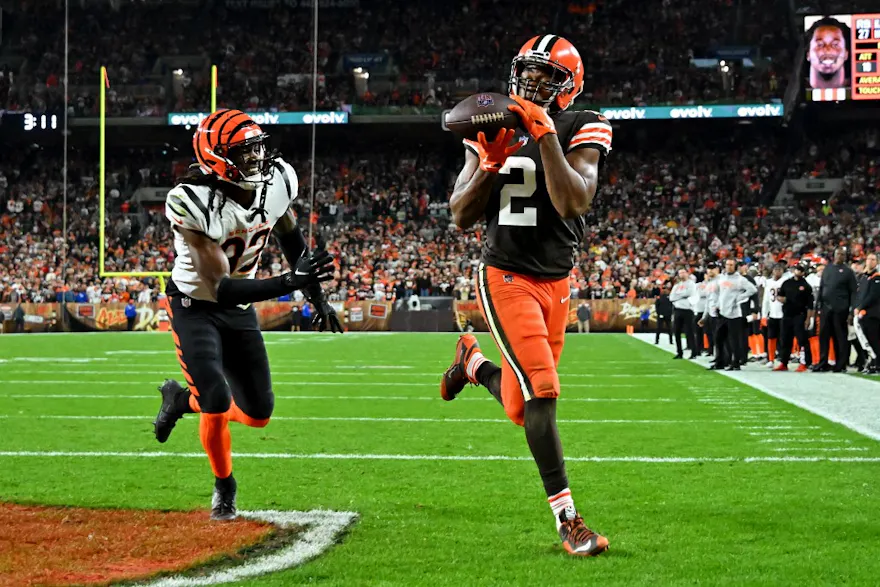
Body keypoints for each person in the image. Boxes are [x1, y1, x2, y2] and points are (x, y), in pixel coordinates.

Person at [439, 34, 610, 557]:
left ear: (568, 87)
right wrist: (489, 164)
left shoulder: (585, 125)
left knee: (520, 405)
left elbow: (573, 200)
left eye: (545, 77)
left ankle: (473, 366)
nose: (532, 84)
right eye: (527, 73)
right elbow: (461, 214)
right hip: (506, 275)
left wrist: (545, 136)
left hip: (555, 282)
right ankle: (569, 521)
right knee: (543, 390)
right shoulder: (491, 123)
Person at [151, 109, 343, 522]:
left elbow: (291, 235)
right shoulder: (190, 200)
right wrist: (291, 282)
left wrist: (317, 297)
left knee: (258, 414)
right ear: (217, 157)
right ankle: (225, 487)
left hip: (238, 309)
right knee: (218, 400)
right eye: (245, 152)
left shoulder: (276, 181)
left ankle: (182, 401)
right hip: (196, 306)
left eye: (258, 148)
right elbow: (220, 287)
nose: (258, 159)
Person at [813, 247, 857, 372]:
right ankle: (823, 362)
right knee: (823, 336)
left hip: (841, 309)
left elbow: (854, 292)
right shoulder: (827, 269)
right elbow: (822, 288)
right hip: (826, 308)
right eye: (838, 254)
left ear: (845, 257)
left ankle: (840, 364)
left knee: (840, 337)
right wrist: (818, 307)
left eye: (842, 254)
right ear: (834, 255)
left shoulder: (848, 272)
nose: (839, 256)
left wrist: (851, 311)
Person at [715, 259, 758, 371]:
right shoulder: (722, 278)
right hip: (723, 312)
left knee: (734, 340)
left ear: (735, 267)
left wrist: (740, 298)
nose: (729, 267)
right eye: (727, 265)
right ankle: (720, 362)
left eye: (731, 265)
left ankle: (736, 363)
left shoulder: (740, 279)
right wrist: (718, 304)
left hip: (734, 313)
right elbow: (721, 293)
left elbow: (752, 289)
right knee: (718, 338)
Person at [775, 264, 814, 372]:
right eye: (797, 270)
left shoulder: (806, 286)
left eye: (800, 270)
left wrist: (808, 319)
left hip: (800, 315)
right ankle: (784, 362)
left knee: (802, 340)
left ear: (803, 273)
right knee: (785, 339)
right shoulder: (787, 283)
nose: (798, 272)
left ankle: (804, 363)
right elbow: (779, 295)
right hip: (787, 315)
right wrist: (781, 299)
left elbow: (810, 305)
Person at [854, 253, 880, 374]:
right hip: (863, 314)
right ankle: (872, 363)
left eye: (873, 259)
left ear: (877, 262)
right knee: (866, 340)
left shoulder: (877, 277)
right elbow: (859, 295)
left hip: (873, 314)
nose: (870, 261)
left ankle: (877, 364)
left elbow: (873, 296)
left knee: (874, 340)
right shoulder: (864, 277)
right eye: (869, 259)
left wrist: (860, 307)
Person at [806, 17, 849, 91]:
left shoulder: (861, 89)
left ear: (846, 54)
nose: (828, 50)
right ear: (808, 54)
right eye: (820, 44)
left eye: (835, 45)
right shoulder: (794, 91)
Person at [762, 263, 790, 368]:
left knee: (783, 338)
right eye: (776, 269)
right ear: (772, 271)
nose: (778, 271)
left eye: (780, 270)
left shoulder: (786, 282)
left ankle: (783, 359)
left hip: (783, 314)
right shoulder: (768, 283)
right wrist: (764, 315)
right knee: (771, 338)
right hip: (772, 314)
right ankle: (771, 359)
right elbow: (765, 300)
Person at [669, 269, 697, 359]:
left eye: (683, 272)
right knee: (676, 332)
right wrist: (682, 295)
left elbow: (689, 293)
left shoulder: (691, 284)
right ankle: (679, 352)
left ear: (687, 274)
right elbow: (671, 297)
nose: (682, 274)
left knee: (690, 332)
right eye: (680, 273)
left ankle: (694, 352)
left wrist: (678, 295)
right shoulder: (677, 285)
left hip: (688, 309)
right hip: (678, 310)